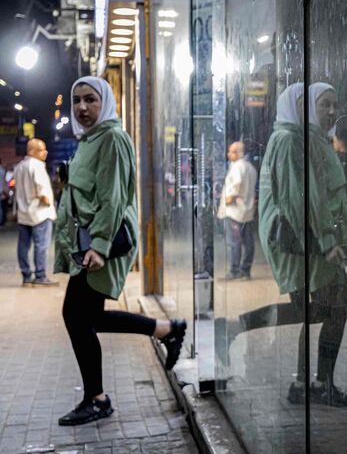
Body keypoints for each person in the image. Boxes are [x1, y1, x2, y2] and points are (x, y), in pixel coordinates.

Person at [54, 76, 187, 426]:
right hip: (86, 244)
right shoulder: (90, 139)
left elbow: (113, 197)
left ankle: (97, 398)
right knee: (88, 318)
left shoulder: (112, 137)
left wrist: (98, 246)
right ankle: (165, 330)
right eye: (77, 100)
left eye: (90, 100)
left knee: (75, 316)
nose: (82, 107)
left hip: (100, 245)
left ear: (105, 102)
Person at [230, 82, 347, 407]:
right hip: (303, 242)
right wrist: (328, 242)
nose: (330, 111)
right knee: (331, 308)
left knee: (318, 310)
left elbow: (324, 195)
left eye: (333, 105)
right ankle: (315, 383)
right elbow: (301, 199)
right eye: (321, 104)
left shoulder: (310, 139)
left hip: (311, 239)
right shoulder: (289, 140)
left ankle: (307, 384)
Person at [14, 139, 58, 287]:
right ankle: (40, 276)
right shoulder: (37, 166)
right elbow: (41, 190)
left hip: (24, 214)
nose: (45, 152)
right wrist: (48, 202)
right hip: (40, 213)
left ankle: (26, 276)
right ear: (32, 151)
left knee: (23, 245)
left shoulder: (19, 167)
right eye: (41, 150)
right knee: (41, 245)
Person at [217, 141, 257, 280]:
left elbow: (237, 184)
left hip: (234, 211)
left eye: (233, 151)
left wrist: (230, 198)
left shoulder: (238, 167)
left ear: (241, 153)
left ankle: (234, 270)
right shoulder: (250, 167)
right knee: (247, 242)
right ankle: (245, 270)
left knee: (234, 242)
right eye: (229, 151)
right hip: (246, 211)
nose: (229, 154)